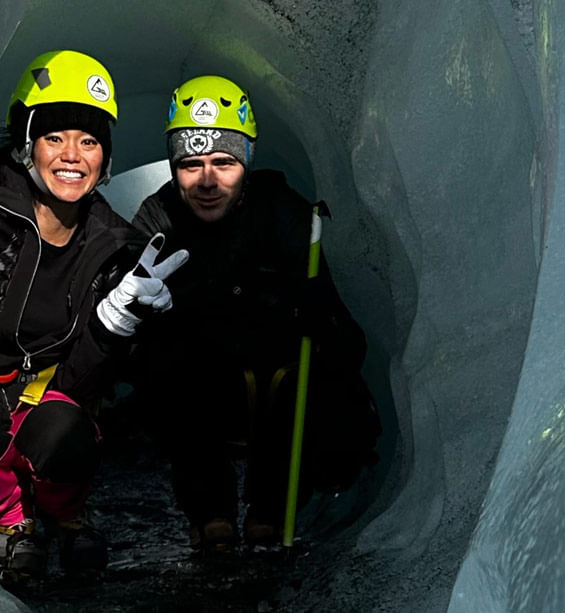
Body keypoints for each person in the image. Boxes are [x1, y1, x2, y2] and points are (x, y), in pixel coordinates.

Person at [0, 50, 188, 585]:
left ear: (106, 158)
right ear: (26, 146)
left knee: (68, 431)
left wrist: (115, 325)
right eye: (55, 137)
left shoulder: (112, 247)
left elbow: (82, 383)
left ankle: (65, 515)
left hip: (41, 393)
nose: (73, 155)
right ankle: (11, 524)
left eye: (89, 141)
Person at [131, 75, 379, 553]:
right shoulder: (157, 219)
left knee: (303, 375)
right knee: (176, 363)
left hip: (270, 386)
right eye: (191, 165)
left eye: (224, 162)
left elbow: (345, 337)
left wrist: (308, 316)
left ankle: (273, 509)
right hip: (204, 387)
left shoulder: (282, 214)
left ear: (246, 161)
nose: (207, 180)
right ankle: (210, 514)